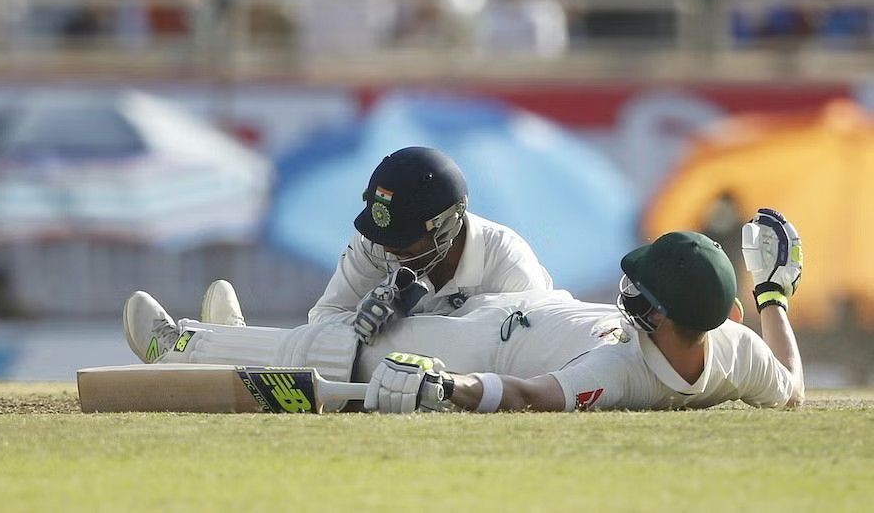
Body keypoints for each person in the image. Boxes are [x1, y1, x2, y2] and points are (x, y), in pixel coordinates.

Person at [129, 214, 805, 413]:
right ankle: (236, 337)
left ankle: (177, 342)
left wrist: (448, 385)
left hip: (492, 342)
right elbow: (791, 386)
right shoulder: (735, 347)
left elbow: (530, 394)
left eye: (640, 293)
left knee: (342, 350)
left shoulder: (624, 368)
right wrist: (776, 294)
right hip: (536, 307)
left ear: (658, 318)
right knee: (331, 339)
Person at [199, 148, 551, 341]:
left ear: (447, 225)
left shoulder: (507, 259)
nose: (391, 251)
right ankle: (226, 343)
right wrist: (358, 324)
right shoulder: (374, 243)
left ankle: (232, 344)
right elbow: (322, 319)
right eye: (386, 237)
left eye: (405, 239)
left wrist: (405, 328)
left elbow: (525, 345)